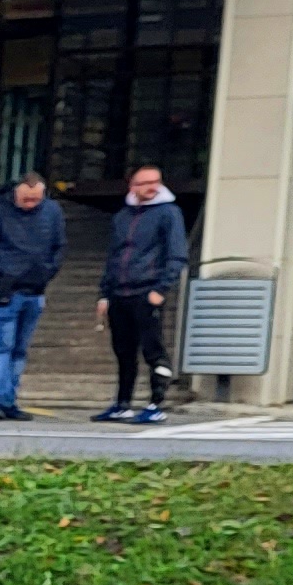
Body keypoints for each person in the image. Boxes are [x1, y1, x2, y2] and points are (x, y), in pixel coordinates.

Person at [0, 170, 64, 420]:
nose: (30, 204)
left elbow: (59, 245)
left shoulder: (52, 211)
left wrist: (47, 272)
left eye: (35, 200)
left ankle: (8, 400)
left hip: (35, 289)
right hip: (5, 289)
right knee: (2, 347)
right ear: (14, 193)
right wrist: (0, 273)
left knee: (19, 349)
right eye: (25, 199)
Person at [97, 163, 190, 423]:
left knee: (153, 350)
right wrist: (104, 293)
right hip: (120, 293)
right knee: (123, 351)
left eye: (155, 182)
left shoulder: (169, 213)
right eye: (144, 183)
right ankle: (122, 403)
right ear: (132, 186)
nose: (151, 187)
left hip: (146, 291)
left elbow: (176, 254)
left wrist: (160, 289)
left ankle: (155, 403)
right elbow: (114, 257)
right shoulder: (122, 216)